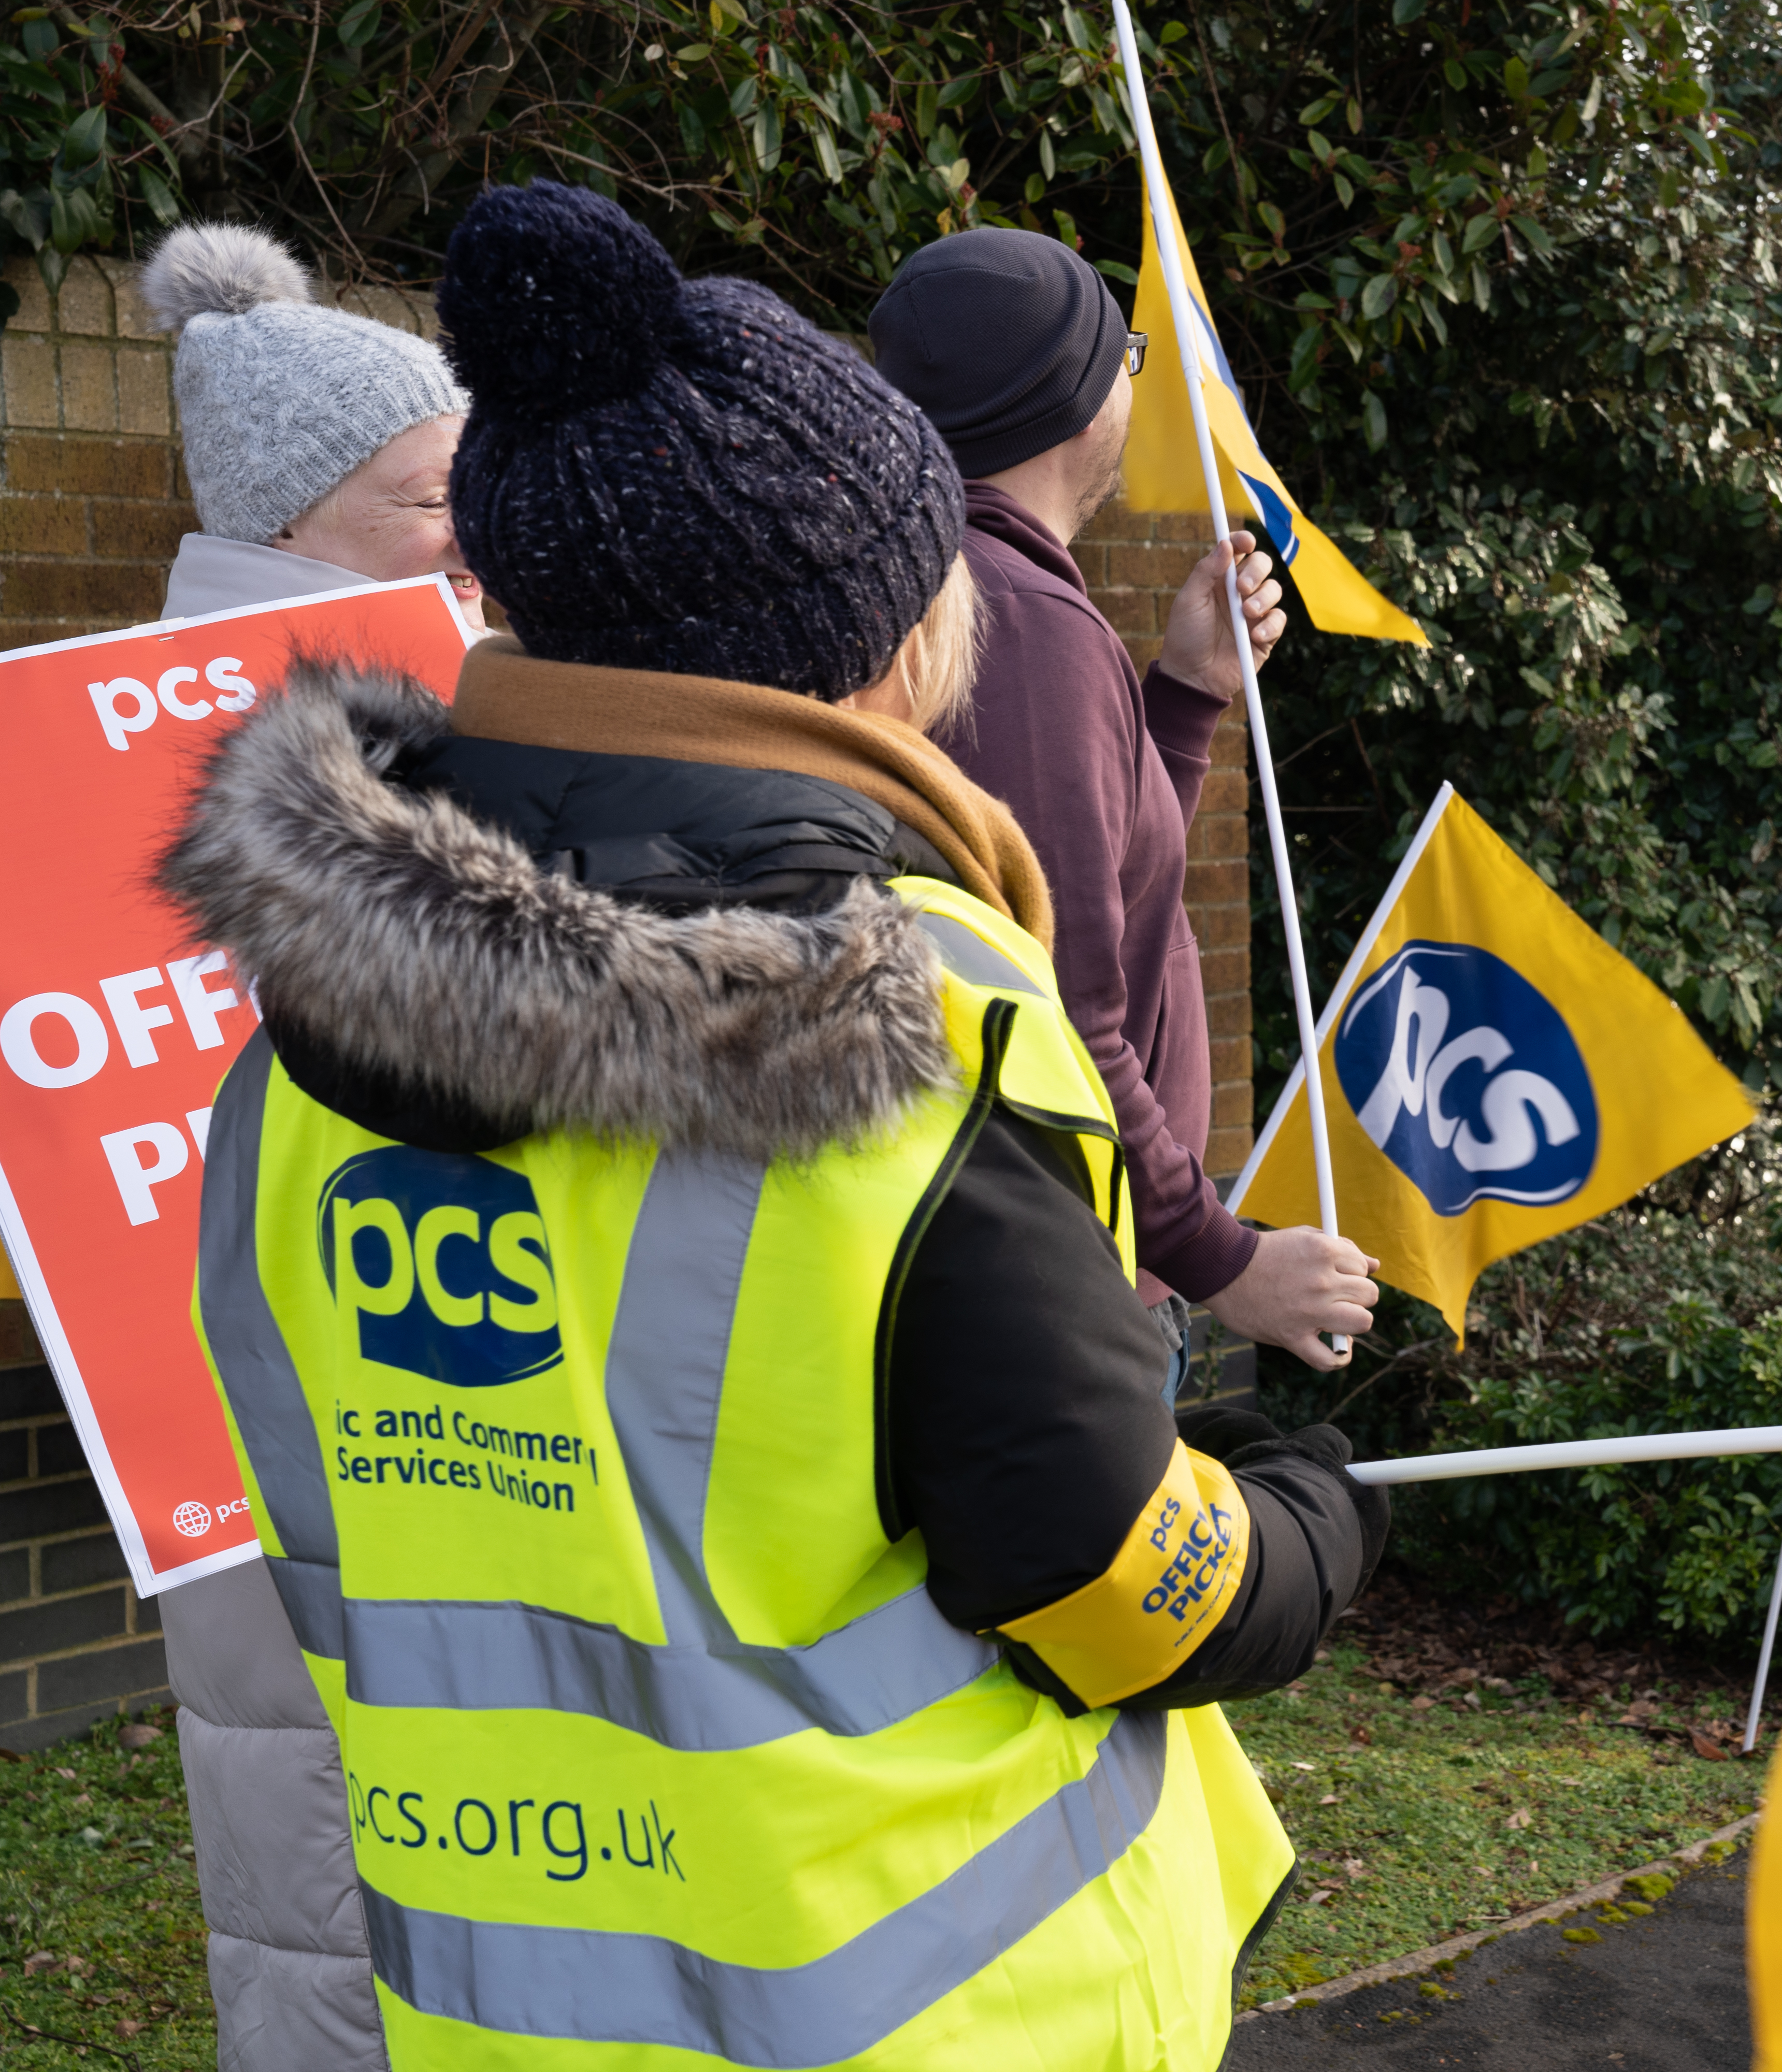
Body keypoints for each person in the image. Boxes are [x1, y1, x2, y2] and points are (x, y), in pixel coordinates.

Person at [165, 181, 1381, 2068]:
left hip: (511, 2018)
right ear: (875, 643)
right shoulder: (911, 1033)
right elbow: (1116, 1585)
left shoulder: (285, 1059)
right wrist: (1309, 1515)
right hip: (951, 2013)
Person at [138, 217, 483, 2072]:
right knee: (313, 1868)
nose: (472, 530)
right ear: (299, 519)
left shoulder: (413, 715)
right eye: (432, 496)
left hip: (408, 1384)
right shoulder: (198, 762)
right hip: (272, 1415)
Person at [867, 228, 1376, 1379]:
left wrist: (1186, 697)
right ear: (1074, 402)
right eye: (1127, 356)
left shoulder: (975, 593)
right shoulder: (1020, 625)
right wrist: (1221, 1254)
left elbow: (1096, 889)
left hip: (1055, 1249)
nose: (1140, 386)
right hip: (1069, 1275)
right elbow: (1057, 1011)